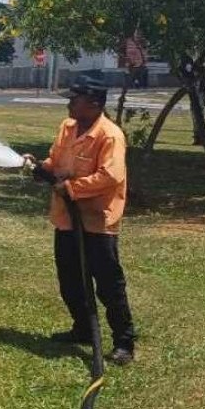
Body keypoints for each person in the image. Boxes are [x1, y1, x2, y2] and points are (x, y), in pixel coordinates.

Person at [24, 78, 136, 365]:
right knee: (70, 280)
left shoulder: (110, 136)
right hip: (66, 219)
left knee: (108, 284)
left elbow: (111, 176)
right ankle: (83, 329)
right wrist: (40, 168)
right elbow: (57, 161)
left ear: (95, 104)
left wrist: (73, 188)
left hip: (97, 220)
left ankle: (124, 342)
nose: (69, 103)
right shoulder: (68, 127)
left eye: (75, 99)